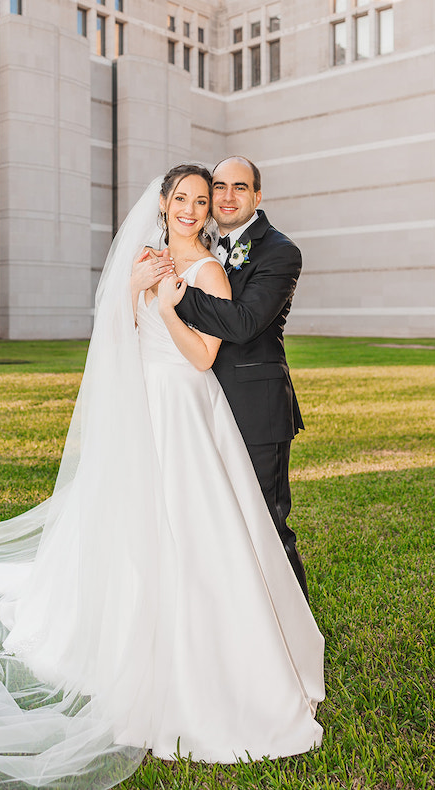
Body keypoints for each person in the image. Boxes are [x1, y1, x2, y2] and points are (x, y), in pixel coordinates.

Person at [0, 165, 323, 790]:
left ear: (243, 199)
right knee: (134, 529)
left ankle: (233, 653)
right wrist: (136, 290)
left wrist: (170, 305)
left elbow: (203, 354)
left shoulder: (214, 268)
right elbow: (115, 334)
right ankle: (124, 641)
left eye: (206, 199)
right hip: (143, 407)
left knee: (211, 532)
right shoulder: (144, 261)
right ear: (165, 204)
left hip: (187, 409)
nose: (197, 208)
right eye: (186, 198)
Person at [172, 156, 310, 600]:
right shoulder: (203, 243)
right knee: (216, 521)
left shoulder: (280, 250)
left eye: (240, 187)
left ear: (257, 196)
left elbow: (246, 322)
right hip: (199, 405)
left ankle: (295, 625)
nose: (227, 196)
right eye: (219, 186)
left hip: (256, 409)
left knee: (265, 522)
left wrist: (173, 294)